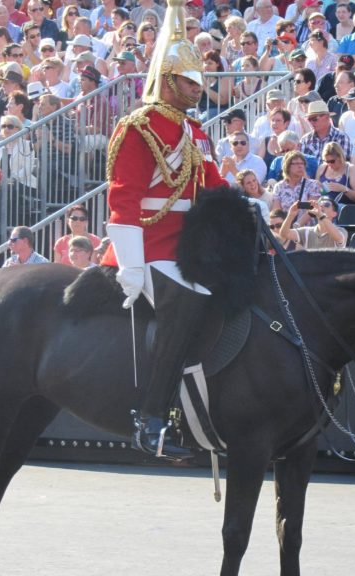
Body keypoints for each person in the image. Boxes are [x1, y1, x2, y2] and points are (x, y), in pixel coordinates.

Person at [101, 2, 227, 459]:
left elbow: (214, 185)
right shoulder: (138, 126)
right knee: (186, 307)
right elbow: (124, 198)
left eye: (200, 82)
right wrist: (131, 264)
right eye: (189, 81)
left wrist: (245, 206)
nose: (197, 89)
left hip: (188, 247)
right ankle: (151, 418)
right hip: (149, 247)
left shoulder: (195, 130)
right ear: (168, 80)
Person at [278, 196, 348, 250]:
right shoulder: (307, 231)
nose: (321, 206)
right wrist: (290, 215)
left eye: (326, 204)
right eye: (319, 204)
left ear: (334, 214)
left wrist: (321, 215)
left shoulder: (341, 231)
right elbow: (284, 234)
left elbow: (339, 238)